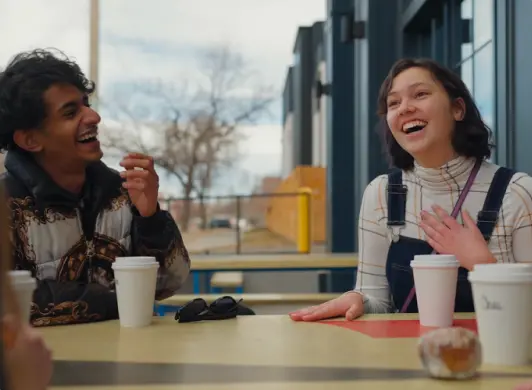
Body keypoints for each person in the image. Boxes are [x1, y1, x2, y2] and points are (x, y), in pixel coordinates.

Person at [290, 58, 532, 322]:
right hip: (407, 359)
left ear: (458, 109)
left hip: (496, 359)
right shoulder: (381, 194)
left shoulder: (517, 192)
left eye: (420, 94)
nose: (404, 108)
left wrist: (481, 264)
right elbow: (379, 301)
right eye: (393, 103)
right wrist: (359, 299)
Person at [0, 49, 191, 327]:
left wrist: (151, 219)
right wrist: (114, 300)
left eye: (86, 103)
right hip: (41, 369)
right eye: (70, 112)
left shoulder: (123, 192)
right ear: (30, 140)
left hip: (129, 362)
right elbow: (10, 304)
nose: (93, 116)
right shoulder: (6, 206)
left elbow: (170, 283)